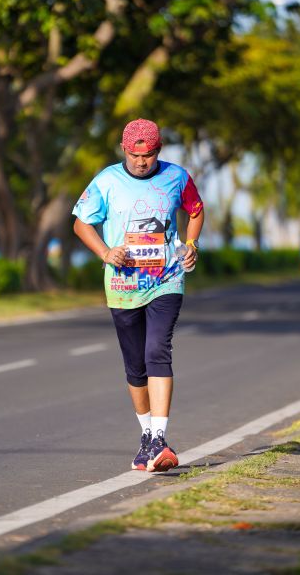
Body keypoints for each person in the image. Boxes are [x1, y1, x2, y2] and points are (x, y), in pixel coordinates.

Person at [72, 118, 204, 472]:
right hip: (123, 286)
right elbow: (81, 223)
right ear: (124, 150)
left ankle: (160, 438)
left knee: (157, 349)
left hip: (166, 278)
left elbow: (195, 210)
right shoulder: (106, 181)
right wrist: (105, 252)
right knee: (135, 364)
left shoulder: (177, 177)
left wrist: (191, 244)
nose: (141, 162)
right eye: (134, 155)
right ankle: (146, 436)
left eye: (148, 156)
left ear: (158, 150)